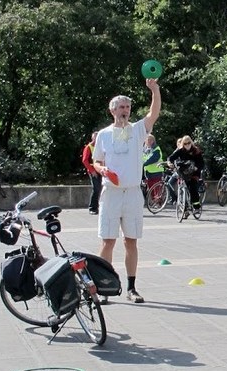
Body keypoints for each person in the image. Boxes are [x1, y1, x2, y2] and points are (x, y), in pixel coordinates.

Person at [92, 78, 161, 304]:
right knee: (107, 242)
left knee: (131, 241)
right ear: (112, 110)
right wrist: (103, 170)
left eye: (128, 107)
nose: (125, 111)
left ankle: (132, 288)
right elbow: (97, 162)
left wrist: (154, 90)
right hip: (111, 193)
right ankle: (104, 287)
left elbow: (154, 113)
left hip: (132, 192)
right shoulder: (103, 134)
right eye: (121, 107)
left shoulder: (138, 130)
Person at [166, 135, 205, 212]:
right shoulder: (180, 151)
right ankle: (185, 207)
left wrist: (197, 167)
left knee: (193, 187)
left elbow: (201, 163)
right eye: (185, 144)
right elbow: (170, 158)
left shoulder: (196, 151)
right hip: (184, 172)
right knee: (183, 186)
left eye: (189, 143)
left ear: (191, 142)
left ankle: (196, 206)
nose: (187, 145)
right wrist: (169, 163)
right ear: (183, 144)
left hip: (194, 172)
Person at [81, 131, 101, 215]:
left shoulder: (100, 147)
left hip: (100, 170)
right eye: (95, 137)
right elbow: (85, 160)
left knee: (100, 189)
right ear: (93, 138)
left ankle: (97, 207)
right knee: (96, 189)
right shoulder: (89, 147)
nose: (97, 139)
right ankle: (92, 207)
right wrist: (92, 171)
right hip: (93, 171)